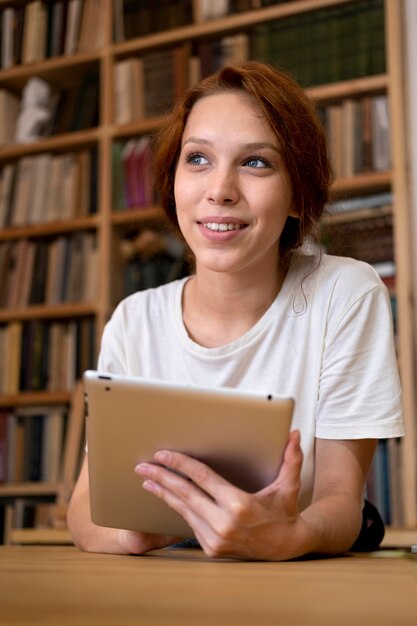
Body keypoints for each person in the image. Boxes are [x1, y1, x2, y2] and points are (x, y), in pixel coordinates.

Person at [67, 61, 404, 560]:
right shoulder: (134, 320)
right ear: (173, 181)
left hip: (301, 567)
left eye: (256, 163)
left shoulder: (345, 294)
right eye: (197, 158)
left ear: (297, 195)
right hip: (176, 566)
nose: (219, 189)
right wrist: (132, 534)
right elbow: (84, 510)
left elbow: (340, 501)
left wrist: (289, 537)